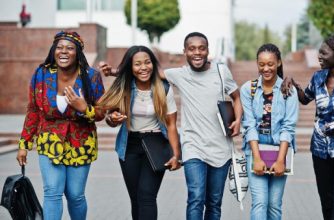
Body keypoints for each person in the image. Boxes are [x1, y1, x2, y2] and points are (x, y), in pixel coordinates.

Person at [99, 32, 242, 220]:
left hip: (217, 146)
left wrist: (238, 120)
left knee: (213, 202)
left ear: (208, 50)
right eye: (192, 49)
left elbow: (236, 97)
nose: (197, 52)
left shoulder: (221, 71)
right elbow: (142, 71)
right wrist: (114, 73)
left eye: (202, 48)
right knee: (194, 198)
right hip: (191, 145)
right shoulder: (178, 74)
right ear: (185, 52)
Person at [16, 31, 105, 220]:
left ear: (78, 52)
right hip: (50, 141)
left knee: (75, 195)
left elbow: (101, 112)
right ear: (53, 50)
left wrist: (84, 108)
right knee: (52, 193)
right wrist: (24, 144)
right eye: (59, 47)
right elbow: (33, 110)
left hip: (81, 142)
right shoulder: (41, 74)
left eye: (70, 48)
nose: (64, 51)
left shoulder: (92, 76)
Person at [282, 27, 334, 220]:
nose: (319, 56)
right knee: (327, 205)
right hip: (320, 150)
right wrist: (293, 83)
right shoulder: (318, 77)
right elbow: (305, 99)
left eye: (323, 53)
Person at [97, 45, 181, 220]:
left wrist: (176, 154)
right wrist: (113, 119)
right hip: (130, 144)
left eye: (147, 62)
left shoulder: (163, 88)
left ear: (153, 64)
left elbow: (171, 124)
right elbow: (109, 118)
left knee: (146, 197)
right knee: (135, 199)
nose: (143, 67)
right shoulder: (124, 86)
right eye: (137, 64)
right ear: (130, 67)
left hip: (156, 143)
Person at [240, 43, 299, 220]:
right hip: (256, 149)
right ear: (257, 64)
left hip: (280, 149)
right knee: (259, 202)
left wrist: (281, 160)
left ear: (279, 63)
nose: (266, 68)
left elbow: (288, 127)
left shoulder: (289, 90)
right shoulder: (247, 89)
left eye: (271, 64)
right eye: (262, 64)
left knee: (274, 205)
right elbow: (249, 125)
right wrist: (256, 158)